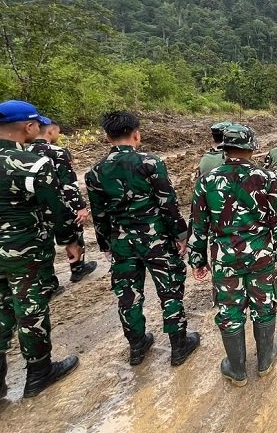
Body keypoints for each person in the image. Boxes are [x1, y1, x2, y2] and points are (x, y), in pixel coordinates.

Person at [0, 100, 81, 403]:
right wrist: (70, 241)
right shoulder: (32, 163)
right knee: (31, 309)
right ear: (30, 126)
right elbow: (55, 209)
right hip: (23, 250)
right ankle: (39, 372)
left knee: (2, 303)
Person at [85, 111, 200, 367]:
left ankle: (137, 346)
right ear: (136, 134)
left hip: (122, 242)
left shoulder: (95, 172)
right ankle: (178, 345)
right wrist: (181, 235)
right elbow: (167, 203)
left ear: (107, 137)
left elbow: (99, 214)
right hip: (155, 239)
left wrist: (105, 244)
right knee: (169, 290)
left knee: (128, 295)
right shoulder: (150, 163)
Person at [189, 126, 277, 386]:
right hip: (261, 255)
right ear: (251, 148)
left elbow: (199, 225)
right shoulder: (267, 178)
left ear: (224, 149)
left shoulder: (206, 180)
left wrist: (197, 260)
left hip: (226, 258)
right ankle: (265, 360)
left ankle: (237, 370)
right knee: (264, 303)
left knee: (229, 309)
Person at [28, 118, 98, 284]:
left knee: (42, 244)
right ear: (50, 131)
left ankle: (46, 281)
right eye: (58, 131)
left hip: (33, 207)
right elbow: (68, 183)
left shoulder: (24, 153)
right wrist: (80, 207)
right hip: (59, 205)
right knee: (74, 236)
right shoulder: (57, 152)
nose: (58, 135)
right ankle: (77, 268)